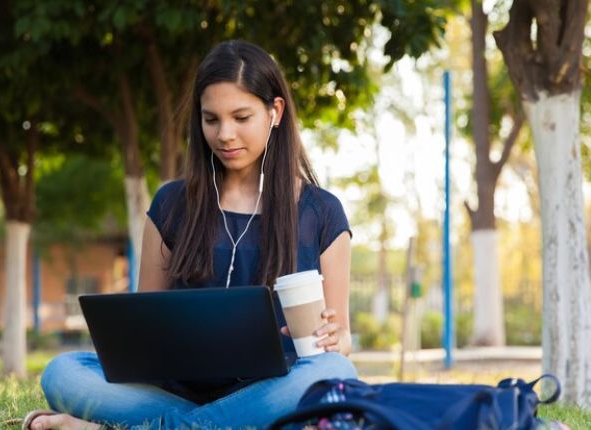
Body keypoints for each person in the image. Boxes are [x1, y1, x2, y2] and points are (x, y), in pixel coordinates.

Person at [24, 40, 358, 430]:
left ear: (275, 112)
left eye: (241, 117)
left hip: (273, 388)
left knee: (334, 370)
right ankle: (220, 424)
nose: (225, 135)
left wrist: (335, 338)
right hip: (173, 391)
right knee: (62, 371)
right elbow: (142, 331)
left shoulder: (321, 212)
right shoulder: (172, 203)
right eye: (211, 119)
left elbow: (342, 339)